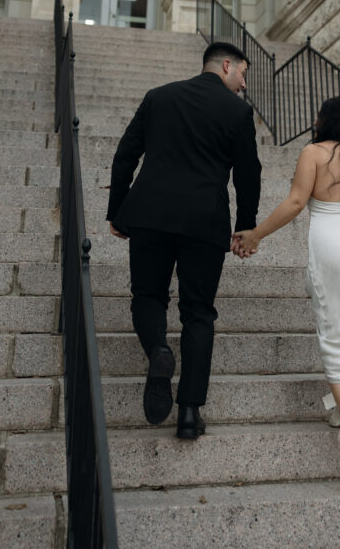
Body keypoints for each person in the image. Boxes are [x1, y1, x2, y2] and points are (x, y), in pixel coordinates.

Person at [234, 95, 340, 472]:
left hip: (331, 238)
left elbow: (296, 202)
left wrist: (256, 235)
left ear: (327, 119)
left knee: (333, 324)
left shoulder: (313, 153)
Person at [107, 41, 261, 440]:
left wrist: (117, 210)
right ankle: (189, 412)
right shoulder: (238, 112)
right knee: (198, 312)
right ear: (226, 65)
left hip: (149, 214)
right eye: (243, 73)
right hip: (205, 220)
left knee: (147, 296)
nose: (244, 84)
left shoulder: (159, 97)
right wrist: (245, 226)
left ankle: (159, 350)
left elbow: (126, 154)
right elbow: (249, 174)